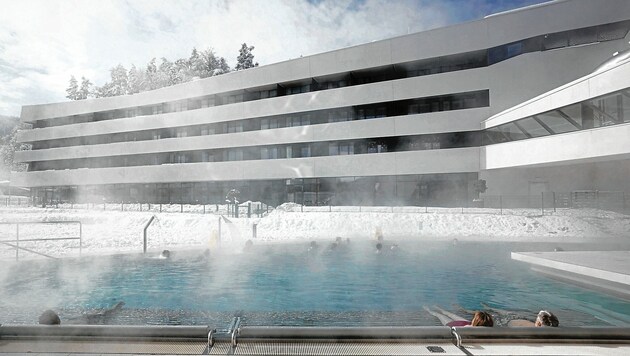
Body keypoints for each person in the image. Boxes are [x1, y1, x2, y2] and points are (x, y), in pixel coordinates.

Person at [424, 306, 493, 327]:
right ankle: (439, 308)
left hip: (452, 324)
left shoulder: (468, 329)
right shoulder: (487, 330)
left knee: (439, 315)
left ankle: (427, 309)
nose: (473, 318)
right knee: (451, 314)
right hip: (466, 323)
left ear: (476, 321)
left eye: (474, 317)